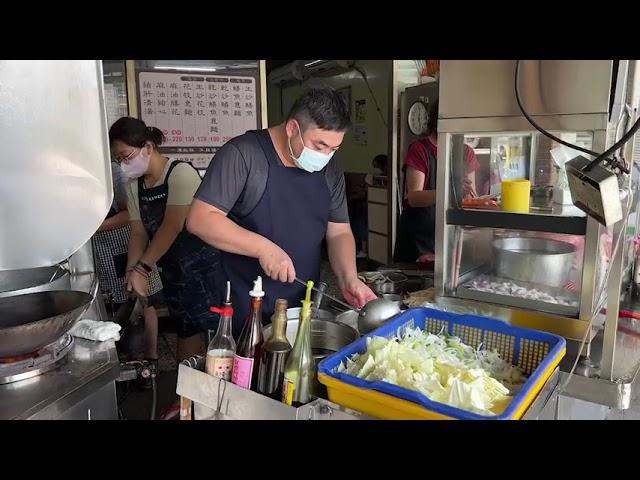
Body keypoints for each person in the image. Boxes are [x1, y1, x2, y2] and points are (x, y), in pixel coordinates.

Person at [187, 88, 377, 334]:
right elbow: (201, 219)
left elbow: (339, 232)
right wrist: (264, 248)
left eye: (334, 149)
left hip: (300, 305)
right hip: (245, 303)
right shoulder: (243, 155)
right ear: (292, 129)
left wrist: (349, 278)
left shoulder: (329, 170)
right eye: (319, 146)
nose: (326, 156)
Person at [109, 117, 221, 364]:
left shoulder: (179, 173)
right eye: (119, 160)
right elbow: (138, 232)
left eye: (126, 156)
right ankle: (187, 395)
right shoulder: (134, 186)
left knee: (214, 332)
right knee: (185, 328)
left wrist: (143, 267)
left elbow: (172, 226)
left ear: (147, 147)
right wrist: (132, 270)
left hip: (204, 267)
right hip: (173, 269)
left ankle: (212, 390)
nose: (123, 164)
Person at [91, 160, 164, 371]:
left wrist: (95, 227)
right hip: (102, 248)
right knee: (117, 303)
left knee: (143, 300)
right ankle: (125, 358)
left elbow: (129, 215)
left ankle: (151, 359)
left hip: (126, 241)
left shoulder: (113, 172)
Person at [394, 99, 479, 263]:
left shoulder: (466, 152)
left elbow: (470, 198)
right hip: (419, 240)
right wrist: (447, 190)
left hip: (450, 236)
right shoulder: (420, 149)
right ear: (437, 119)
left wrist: (471, 199)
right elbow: (414, 197)